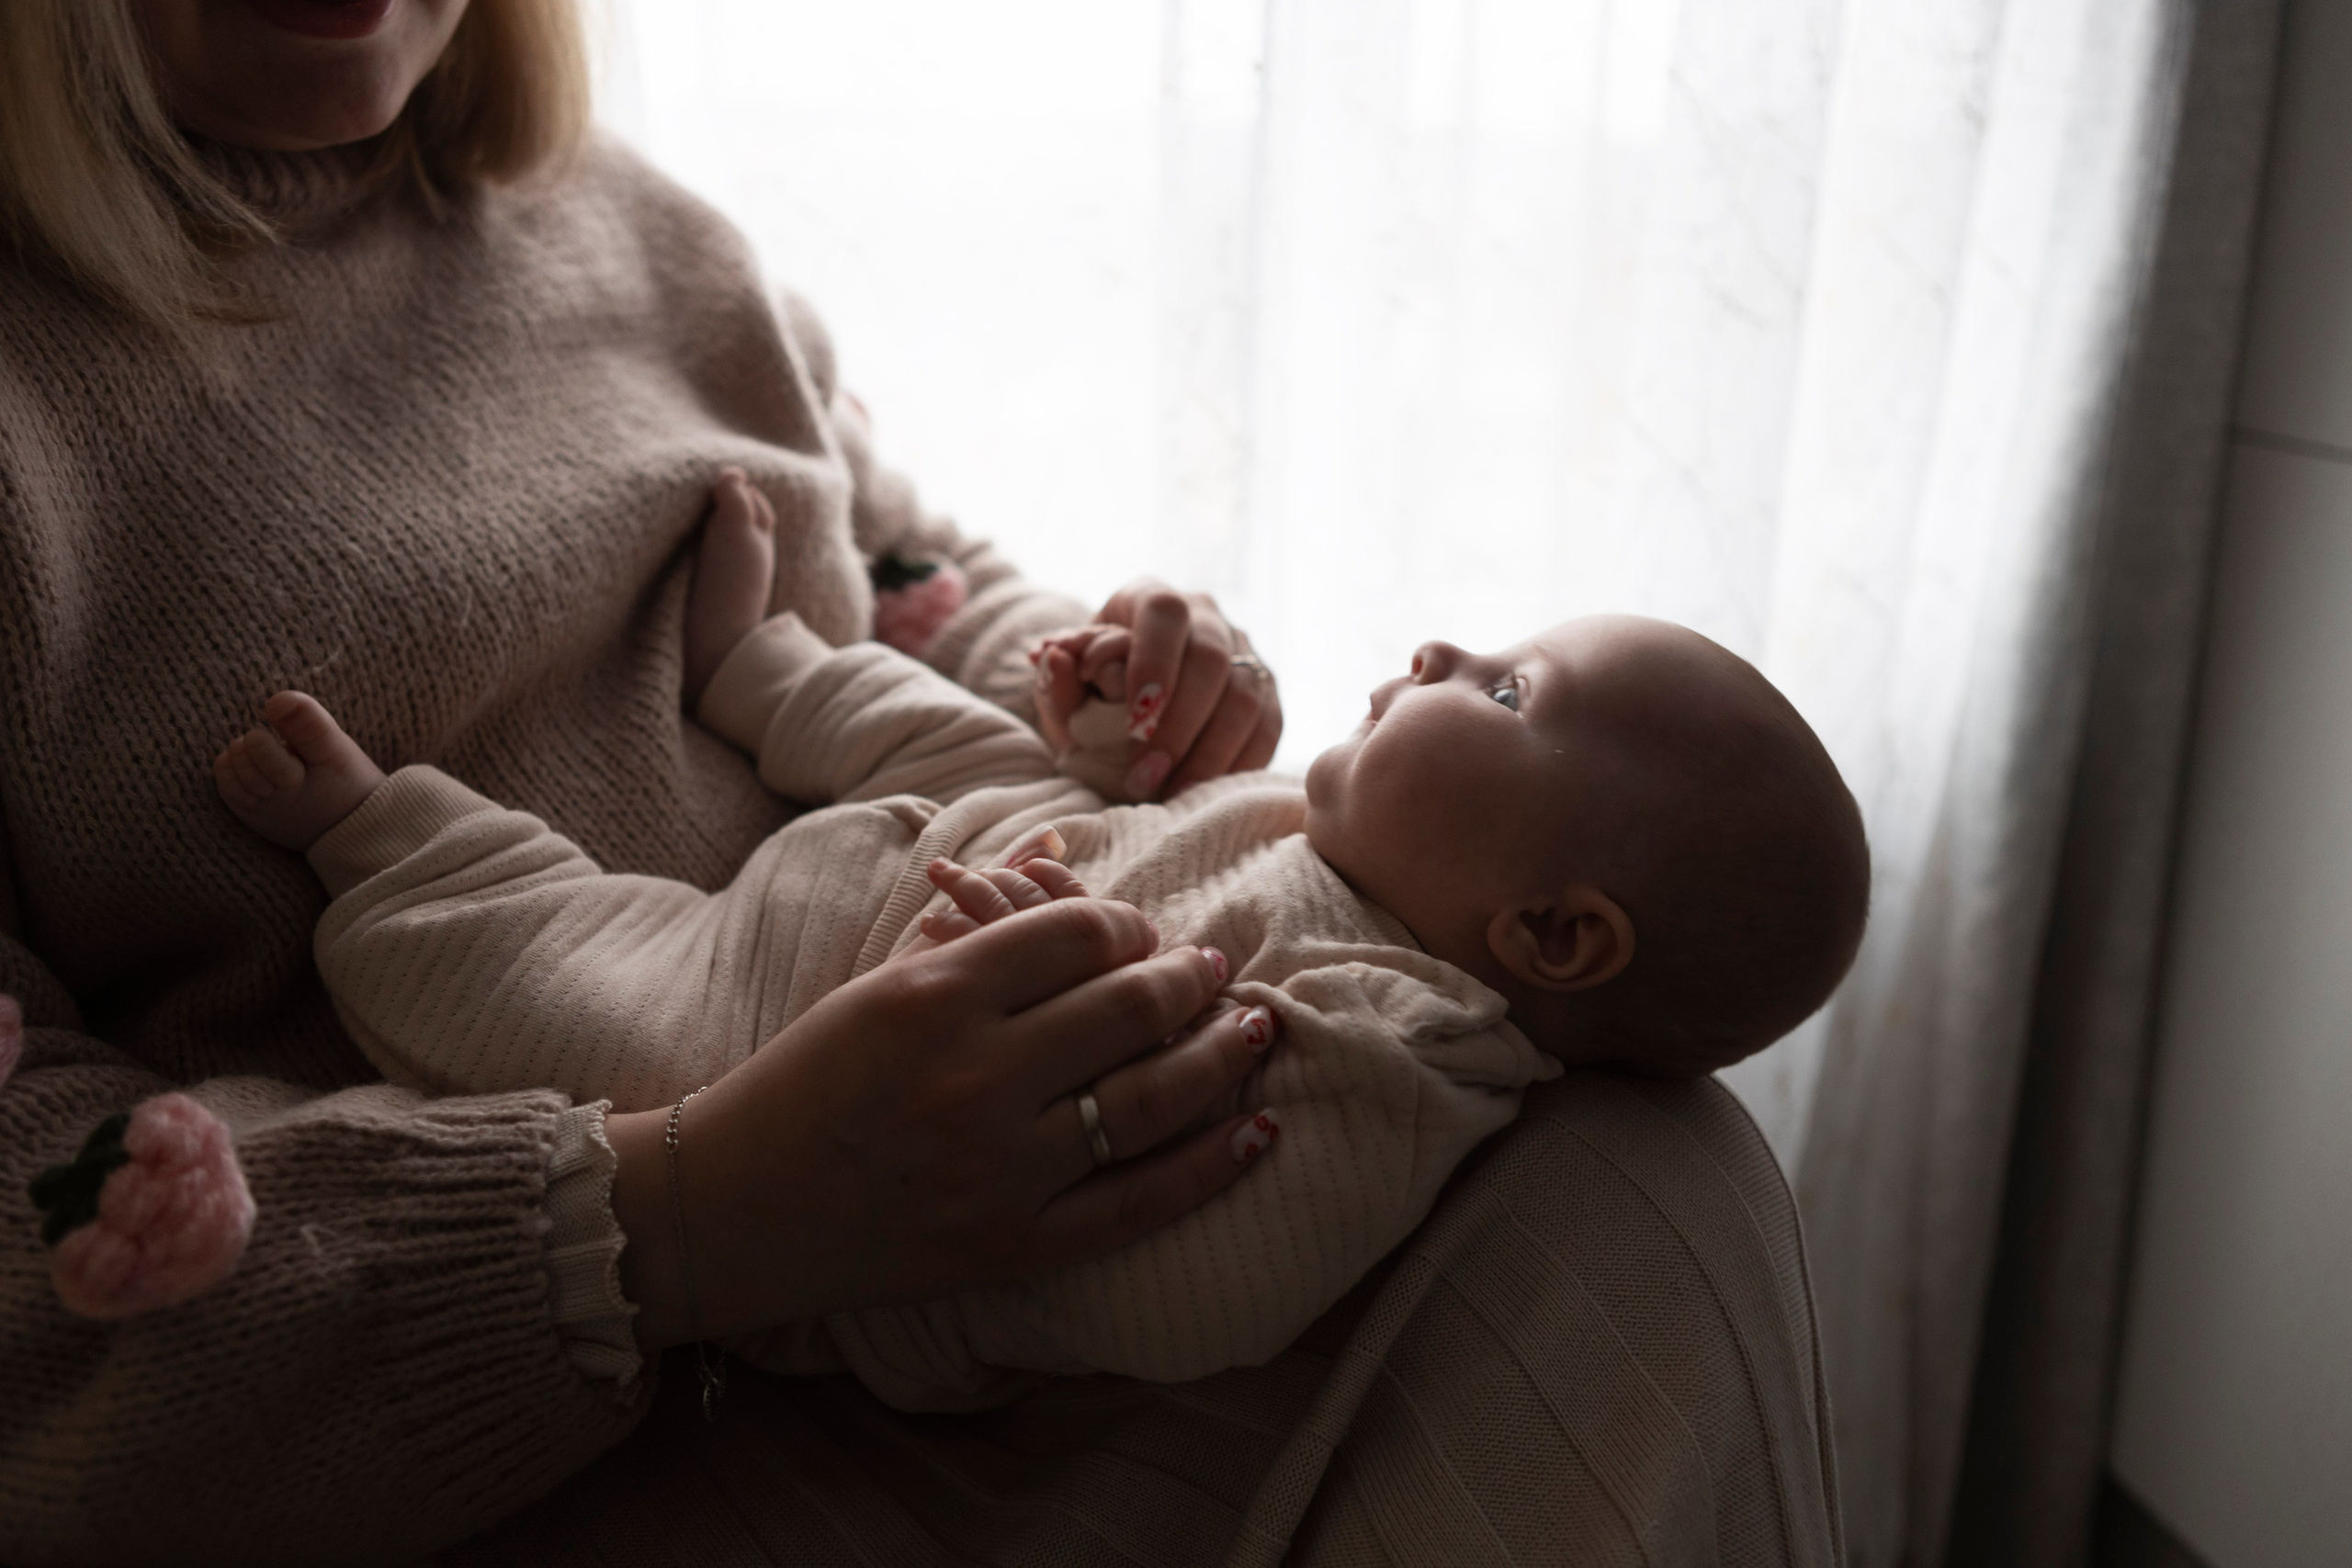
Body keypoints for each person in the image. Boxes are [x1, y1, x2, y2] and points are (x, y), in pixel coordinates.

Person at [0, 1, 1285, 1560]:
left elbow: (902, 575)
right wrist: (690, 1213)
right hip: (597, 1460)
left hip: (1062, 1272)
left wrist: (1123, 683)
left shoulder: (640, 226)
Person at [200, 468, 1869, 1414]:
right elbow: (1133, 805)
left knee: (567, 973)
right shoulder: (1344, 841)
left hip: (779, 1064)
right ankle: (755, 668)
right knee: (977, 743)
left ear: (1555, 933)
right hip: (910, 883)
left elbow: (1197, 1288)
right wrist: (1117, 718)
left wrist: (1083, 986)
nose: (1441, 649)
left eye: (1506, 691)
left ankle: (391, 845)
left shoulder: (1396, 1046)